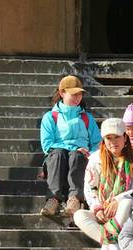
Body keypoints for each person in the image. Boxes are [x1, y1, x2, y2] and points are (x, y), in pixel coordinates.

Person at [73, 118, 133, 250]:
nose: (113, 142)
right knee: (79, 215)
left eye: (117, 137)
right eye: (109, 138)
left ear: (125, 138)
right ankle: (110, 244)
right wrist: (97, 208)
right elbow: (90, 187)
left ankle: (107, 246)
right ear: (104, 140)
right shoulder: (95, 159)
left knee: (127, 203)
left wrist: (117, 200)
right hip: (103, 209)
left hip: (127, 212)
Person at [39, 75, 101, 217]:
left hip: (80, 158)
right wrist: (72, 148)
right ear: (62, 93)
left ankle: (74, 199)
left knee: (77, 155)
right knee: (59, 153)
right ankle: (53, 199)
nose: (77, 98)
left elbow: (97, 143)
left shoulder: (87, 118)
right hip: (57, 159)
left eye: (79, 94)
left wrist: (89, 153)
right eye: (73, 94)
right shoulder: (50, 117)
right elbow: (47, 145)